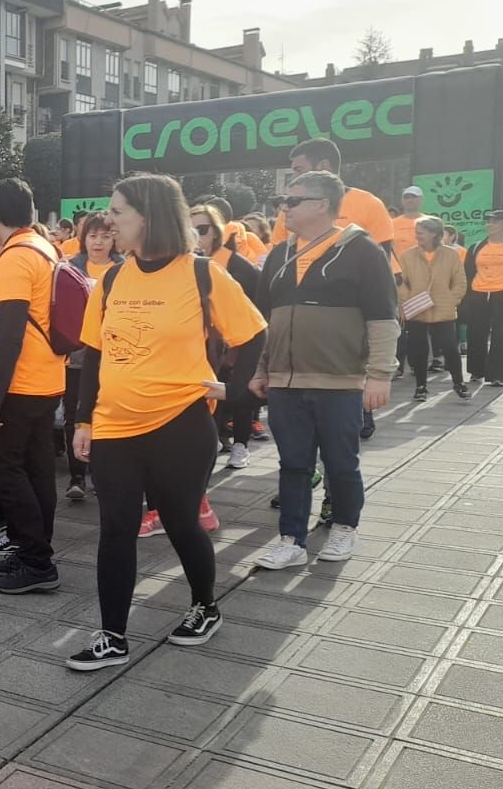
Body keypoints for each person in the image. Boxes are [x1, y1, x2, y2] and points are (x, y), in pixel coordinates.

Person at [66, 174, 266, 670]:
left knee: (180, 522)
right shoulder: (111, 278)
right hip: (114, 427)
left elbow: (252, 333)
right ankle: (113, 635)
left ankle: (205, 605)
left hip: (181, 424)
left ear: (148, 216)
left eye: (118, 211)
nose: (108, 220)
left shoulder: (201, 274)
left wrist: (237, 393)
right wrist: (83, 420)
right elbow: (93, 355)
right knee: (116, 528)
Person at [250, 170, 398, 570]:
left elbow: (384, 319)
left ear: (321, 205)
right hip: (285, 382)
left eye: (292, 200)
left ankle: (344, 529)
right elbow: (269, 321)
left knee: (340, 462)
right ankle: (291, 539)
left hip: (340, 381)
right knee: (293, 464)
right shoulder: (279, 255)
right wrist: (263, 369)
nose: (284, 207)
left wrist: (380, 375)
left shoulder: (363, 250)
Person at [0, 180, 67, 593]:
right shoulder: (45, 248)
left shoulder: (14, 259)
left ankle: (36, 560)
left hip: (19, 384)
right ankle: (34, 549)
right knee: (37, 470)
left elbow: (11, 334)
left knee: (5, 471)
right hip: (45, 379)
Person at [191, 203, 263, 469]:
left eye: (202, 228)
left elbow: (256, 312)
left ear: (217, 231)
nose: (197, 234)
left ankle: (241, 446)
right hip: (202, 348)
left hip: (236, 344)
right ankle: (216, 442)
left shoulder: (239, 267)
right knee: (208, 399)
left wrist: (238, 351)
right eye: (191, 228)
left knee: (237, 395)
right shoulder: (185, 263)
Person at [61, 212, 120, 500]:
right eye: (93, 235)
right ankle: (76, 477)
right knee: (74, 414)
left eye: (105, 236)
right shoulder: (71, 268)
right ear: (83, 238)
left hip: (113, 356)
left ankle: (101, 473)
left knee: (106, 414)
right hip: (76, 355)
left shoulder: (124, 269)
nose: (98, 242)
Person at [269, 139, 394, 253]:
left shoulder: (369, 204)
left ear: (324, 166)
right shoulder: (289, 208)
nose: (294, 177)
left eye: (299, 170)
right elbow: (278, 260)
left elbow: (383, 264)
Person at [396, 215, 469, 402]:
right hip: (417, 311)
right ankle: (421, 387)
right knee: (418, 349)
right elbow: (400, 283)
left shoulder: (450, 254)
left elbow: (460, 282)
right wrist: (407, 300)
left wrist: (450, 300)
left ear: (434, 233)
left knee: (450, 348)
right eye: (416, 231)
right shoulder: (408, 255)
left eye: (421, 232)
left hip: (443, 311)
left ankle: (459, 383)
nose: (417, 235)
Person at [464, 210, 503, 386]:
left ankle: (497, 375)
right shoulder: (475, 247)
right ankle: (476, 371)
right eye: (488, 221)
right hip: (478, 293)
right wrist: (468, 294)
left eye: (495, 221)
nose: (490, 224)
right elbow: (467, 273)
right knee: (475, 332)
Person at [392, 187, 424, 258]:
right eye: (406, 197)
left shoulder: (432, 222)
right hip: (399, 267)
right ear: (402, 200)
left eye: (413, 197)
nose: (410, 200)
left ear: (421, 199)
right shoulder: (391, 224)